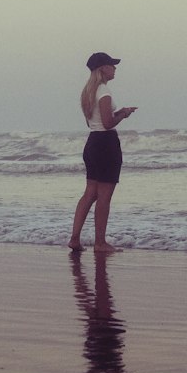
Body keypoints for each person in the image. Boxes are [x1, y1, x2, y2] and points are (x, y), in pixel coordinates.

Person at [68, 51, 137, 255]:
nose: (115, 68)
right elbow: (107, 124)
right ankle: (100, 243)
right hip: (106, 144)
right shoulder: (104, 91)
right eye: (111, 65)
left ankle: (74, 238)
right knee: (104, 196)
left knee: (90, 193)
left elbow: (95, 122)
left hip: (92, 143)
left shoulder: (88, 92)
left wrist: (119, 112)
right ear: (102, 68)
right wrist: (123, 114)